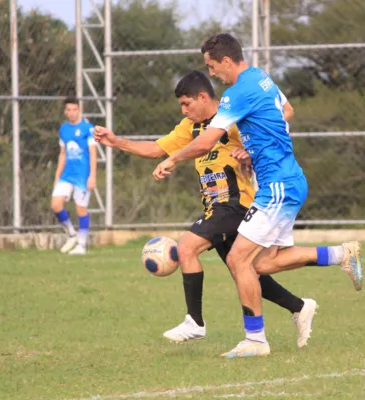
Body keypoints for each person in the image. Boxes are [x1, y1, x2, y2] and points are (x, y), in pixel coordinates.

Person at [152, 34, 364, 358]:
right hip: (284, 181)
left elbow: (207, 142)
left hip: (279, 184)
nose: (212, 74)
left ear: (226, 60)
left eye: (212, 67)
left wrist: (172, 158)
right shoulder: (262, 78)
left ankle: (255, 339)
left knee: (239, 259)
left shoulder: (235, 94)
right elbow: (287, 110)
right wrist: (253, 148)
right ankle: (341, 255)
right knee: (263, 263)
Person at [94, 70, 319, 348]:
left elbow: (277, 119)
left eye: (186, 104)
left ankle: (195, 322)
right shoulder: (190, 128)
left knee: (187, 247)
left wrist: (249, 152)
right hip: (217, 206)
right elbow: (155, 148)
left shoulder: (232, 119)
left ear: (203, 97)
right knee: (246, 271)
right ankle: (298, 306)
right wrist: (116, 142)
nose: (184, 110)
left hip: (237, 204)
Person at [51, 97, 97, 255]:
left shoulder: (87, 128)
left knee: (80, 209)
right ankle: (71, 233)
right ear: (65, 111)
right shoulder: (63, 129)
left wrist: (92, 176)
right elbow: (62, 154)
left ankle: (81, 245)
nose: (71, 112)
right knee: (56, 204)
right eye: (68, 110)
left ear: (79, 110)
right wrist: (57, 176)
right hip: (67, 174)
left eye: (74, 109)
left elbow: (93, 153)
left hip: (83, 175)